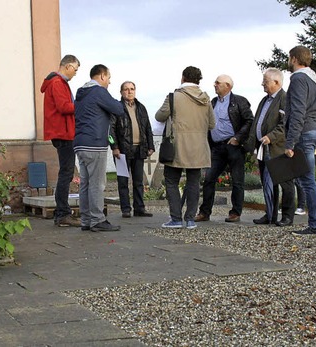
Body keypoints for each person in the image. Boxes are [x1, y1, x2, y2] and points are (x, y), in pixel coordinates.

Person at [156, 66, 215, 229]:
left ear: (183, 78)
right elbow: (212, 124)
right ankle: (190, 219)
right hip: (198, 147)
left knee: (171, 180)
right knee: (193, 183)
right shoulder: (206, 99)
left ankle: (175, 218)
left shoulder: (174, 97)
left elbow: (159, 116)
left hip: (177, 146)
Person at [284, 45, 316, 236]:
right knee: (309, 179)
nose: (289, 61)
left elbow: (297, 112)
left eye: (289, 58)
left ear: (295, 59)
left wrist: (290, 142)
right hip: (313, 131)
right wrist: (311, 117)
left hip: (302, 134)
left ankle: (315, 225)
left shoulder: (298, 79)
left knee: (306, 181)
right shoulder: (314, 79)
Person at [195, 74, 253, 223]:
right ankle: (205, 212)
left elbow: (249, 121)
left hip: (233, 146)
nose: (214, 85)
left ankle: (235, 212)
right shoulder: (213, 102)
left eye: (218, 83)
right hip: (216, 147)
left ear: (228, 86)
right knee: (209, 179)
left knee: (237, 180)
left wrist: (238, 138)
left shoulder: (239, 101)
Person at [74, 64, 124, 232]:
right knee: (97, 183)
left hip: (80, 143)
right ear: (102, 76)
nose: (109, 82)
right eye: (109, 78)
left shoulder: (81, 93)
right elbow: (118, 109)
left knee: (85, 183)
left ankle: (86, 220)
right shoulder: (98, 92)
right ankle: (97, 219)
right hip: (94, 143)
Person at [244, 68, 295, 226]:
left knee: (285, 183)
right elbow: (257, 123)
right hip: (263, 148)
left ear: (276, 82)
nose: (262, 84)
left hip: (278, 148)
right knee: (268, 183)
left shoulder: (285, 99)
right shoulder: (264, 100)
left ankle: (287, 216)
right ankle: (270, 214)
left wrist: (271, 137)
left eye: (265, 81)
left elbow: (285, 124)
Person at [41, 55, 82, 227]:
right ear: (67, 66)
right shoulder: (58, 83)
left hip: (62, 132)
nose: (75, 73)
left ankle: (62, 213)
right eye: (75, 69)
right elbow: (64, 107)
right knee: (66, 173)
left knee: (65, 172)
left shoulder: (56, 82)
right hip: (63, 132)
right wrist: (82, 105)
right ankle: (63, 214)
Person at [110, 81, 155, 218]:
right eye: (126, 89)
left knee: (138, 182)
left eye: (132, 89)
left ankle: (139, 208)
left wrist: (151, 145)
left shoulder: (141, 107)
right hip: (122, 151)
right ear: (121, 92)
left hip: (139, 149)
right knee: (123, 181)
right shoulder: (116, 108)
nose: (129, 92)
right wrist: (114, 147)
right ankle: (125, 209)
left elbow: (147, 127)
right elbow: (110, 130)